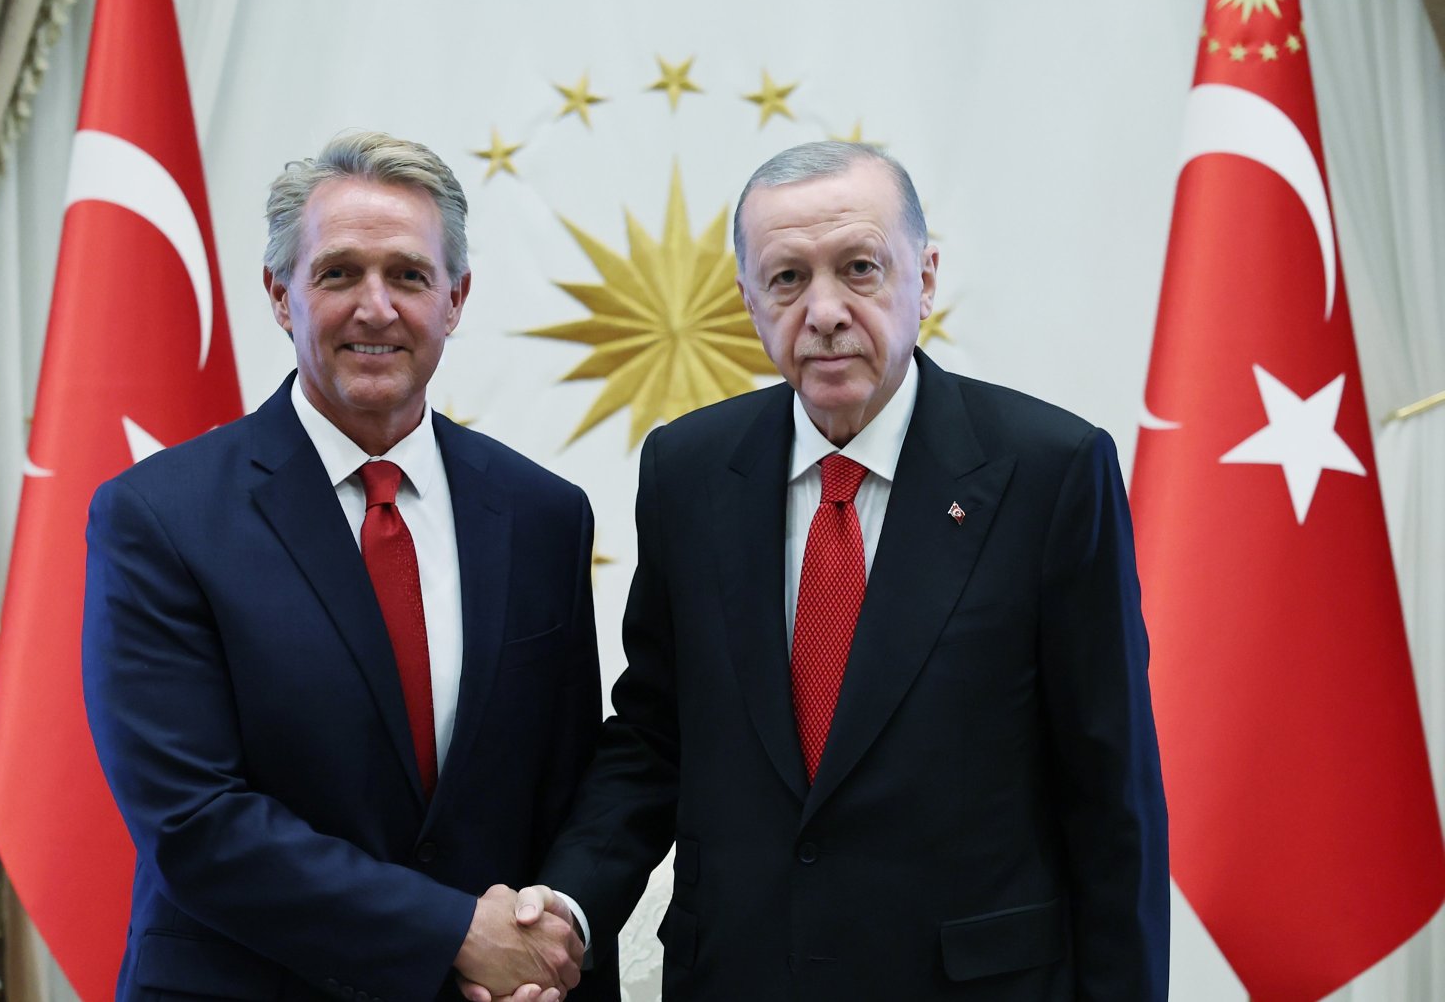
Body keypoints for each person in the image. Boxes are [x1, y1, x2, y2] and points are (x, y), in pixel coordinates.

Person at [478, 141, 1169, 1000]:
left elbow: (1113, 800)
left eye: (859, 269)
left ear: (926, 276)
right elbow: (657, 736)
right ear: (747, 301)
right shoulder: (689, 472)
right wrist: (571, 907)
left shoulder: (1051, 471)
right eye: (788, 279)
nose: (826, 310)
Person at [82, 131, 616, 1002]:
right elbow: (193, 823)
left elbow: (562, 798)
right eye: (338, 274)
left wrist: (545, 964)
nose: (376, 308)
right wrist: (450, 934)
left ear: (455, 299)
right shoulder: (159, 517)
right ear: (280, 295)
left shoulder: (542, 514)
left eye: (408, 274)